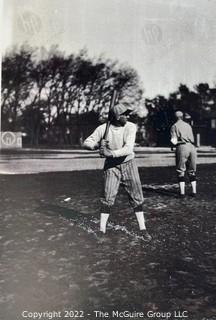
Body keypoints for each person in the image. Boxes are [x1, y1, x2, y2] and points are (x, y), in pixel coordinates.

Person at [83, 103, 152, 241]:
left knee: (136, 197)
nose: (127, 116)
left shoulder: (131, 127)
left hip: (128, 163)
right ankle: (102, 231)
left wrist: (110, 153)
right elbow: (86, 142)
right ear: (116, 116)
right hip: (111, 166)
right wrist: (96, 145)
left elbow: (128, 149)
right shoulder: (103, 128)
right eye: (124, 114)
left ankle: (143, 229)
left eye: (127, 113)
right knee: (107, 197)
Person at [170, 110, 197, 198]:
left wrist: (171, 143)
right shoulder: (188, 125)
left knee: (180, 170)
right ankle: (194, 191)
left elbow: (173, 141)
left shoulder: (174, 126)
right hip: (192, 147)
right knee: (192, 170)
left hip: (182, 147)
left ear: (175, 117)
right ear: (182, 117)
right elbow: (192, 138)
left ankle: (182, 193)